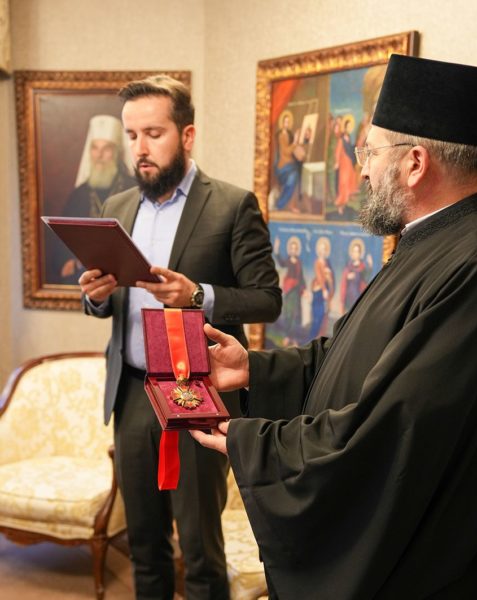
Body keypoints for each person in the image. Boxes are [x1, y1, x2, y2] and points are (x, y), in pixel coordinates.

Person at [191, 54, 477, 599]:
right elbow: (345, 354)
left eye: (370, 152)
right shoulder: (428, 243)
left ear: (414, 163)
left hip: (420, 566)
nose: (361, 170)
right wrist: (252, 369)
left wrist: (252, 442)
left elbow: (394, 427)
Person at [78, 74, 281, 600]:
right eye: (131, 136)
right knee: (144, 545)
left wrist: (198, 295)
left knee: (199, 550)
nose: (140, 149)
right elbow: (108, 303)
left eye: (153, 133)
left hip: (199, 394)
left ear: (186, 135)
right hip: (131, 394)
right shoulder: (117, 207)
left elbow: (267, 299)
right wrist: (96, 296)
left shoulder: (232, 204)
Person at [59, 114, 136, 283]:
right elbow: (64, 240)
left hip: (126, 273)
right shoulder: (78, 195)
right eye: (95, 148)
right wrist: (70, 260)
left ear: (117, 153)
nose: (99, 155)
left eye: (106, 149)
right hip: (85, 274)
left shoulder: (134, 189)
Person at [273, 235, 306, 346]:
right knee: (288, 314)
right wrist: (276, 249)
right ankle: (287, 336)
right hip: (289, 290)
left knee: (296, 315)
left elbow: (301, 277)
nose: (293, 250)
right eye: (292, 248)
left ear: (297, 250)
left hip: (296, 292)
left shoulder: (299, 262)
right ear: (289, 250)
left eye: (295, 248)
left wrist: (305, 289)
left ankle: (294, 337)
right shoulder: (287, 261)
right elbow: (280, 262)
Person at [338, 238, 373, 314]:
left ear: (360, 253)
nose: (355, 253)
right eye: (354, 251)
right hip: (348, 298)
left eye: (357, 251)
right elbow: (343, 282)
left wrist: (370, 266)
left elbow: (366, 278)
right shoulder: (348, 266)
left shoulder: (362, 267)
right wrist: (347, 277)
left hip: (357, 297)